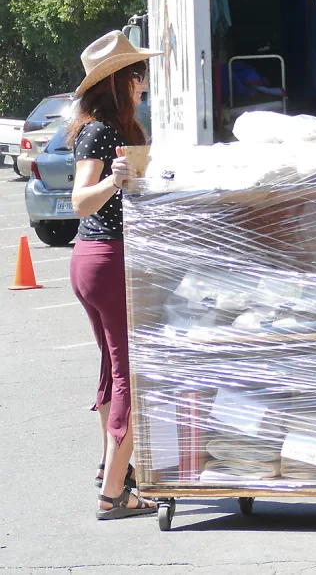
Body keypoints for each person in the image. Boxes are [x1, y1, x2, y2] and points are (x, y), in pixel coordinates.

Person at [67, 30, 162, 520]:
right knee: (130, 373)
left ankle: (114, 469)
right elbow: (81, 200)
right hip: (107, 258)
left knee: (112, 366)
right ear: (121, 81)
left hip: (93, 261)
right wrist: (113, 179)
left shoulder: (111, 128)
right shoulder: (101, 132)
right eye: (139, 75)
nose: (144, 83)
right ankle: (113, 491)